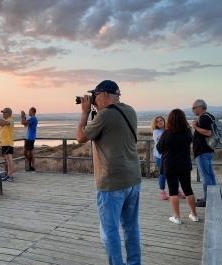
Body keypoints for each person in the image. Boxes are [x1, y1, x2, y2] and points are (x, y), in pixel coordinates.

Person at [77, 80, 142, 265]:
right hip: (133, 179)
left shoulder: (105, 115)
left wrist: (84, 113)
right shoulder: (130, 110)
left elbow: (81, 137)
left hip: (111, 183)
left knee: (109, 231)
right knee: (131, 228)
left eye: (95, 95)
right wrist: (95, 111)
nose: (93, 99)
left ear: (105, 94)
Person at [156, 109, 199, 224]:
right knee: (188, 189)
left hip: (170, 164)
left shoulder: (166, 133)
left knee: (173, 191)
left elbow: (159, 150)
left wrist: (160, 140)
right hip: (184, 163)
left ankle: (177, 217)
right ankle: (194, 215)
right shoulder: (188, 132)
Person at [151, 116, 186, 200]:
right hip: (160, 156)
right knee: (162, 173)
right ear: (155, 124)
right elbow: (164, 137)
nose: (160, 122)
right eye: (158, 121)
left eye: (161, 120)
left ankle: (177, 190)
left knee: (175, 173)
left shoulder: (168, 130)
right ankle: (162, 191)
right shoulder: (156, 131)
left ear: (164, 121)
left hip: (170, 155)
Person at [191, 99, 216, 207]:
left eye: (193, 108)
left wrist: (195, 127)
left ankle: (207, 200)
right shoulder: (209, 116)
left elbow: (208, 132)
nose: (192, 110)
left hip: (202, 151)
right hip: (208, 150)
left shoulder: (204, 117)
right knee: (210, 174)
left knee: (205, 176)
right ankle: (213, 197)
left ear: (200, 107)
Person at [21, 107, 38, 173]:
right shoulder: (33, 119)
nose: (28, 112)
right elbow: (25, 124)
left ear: (32, 111)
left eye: (29, 111)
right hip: (30, 137)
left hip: (30, 138)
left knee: (25, 152)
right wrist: (24, 117)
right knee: (31, 153)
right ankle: (32, 168)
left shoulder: (33, 119)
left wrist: (22, 115)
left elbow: (22, 123)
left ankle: (32, 166)